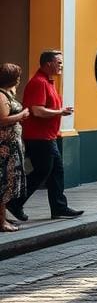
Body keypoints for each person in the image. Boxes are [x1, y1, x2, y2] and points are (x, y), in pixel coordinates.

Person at [6, 51, 82, 222]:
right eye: (59, 62)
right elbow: (37, 110)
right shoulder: (38, 83)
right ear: (48, 63)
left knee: (56, 171)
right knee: (42, 172)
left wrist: (59, 113)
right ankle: (15, 202)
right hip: (38, 137)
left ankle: (59, 207)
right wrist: (60, 112)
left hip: (48, 136)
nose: (61, 65)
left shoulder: (48, 82)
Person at [0, 64, 29, 232]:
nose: (19, 79)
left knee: (8, 182)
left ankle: (2, 217)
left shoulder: (8, 93)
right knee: (4, 183)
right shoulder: (1, 96)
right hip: (5, 149)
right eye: (17, 77)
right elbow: (3, 119)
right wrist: (21, 115)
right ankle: (2, 222)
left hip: (11, 146)